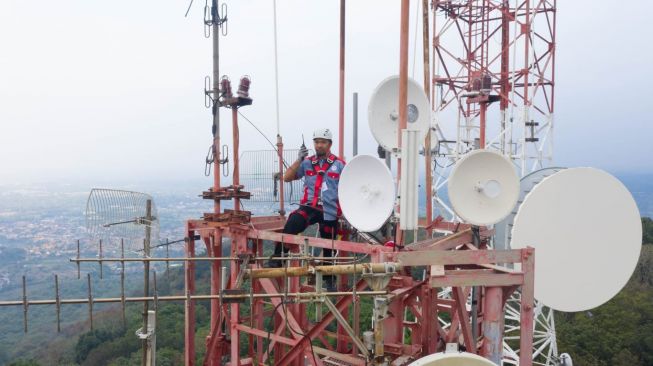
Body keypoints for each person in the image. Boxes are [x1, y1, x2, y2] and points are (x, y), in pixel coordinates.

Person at [267, 128, 346, 289]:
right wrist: (298, 160)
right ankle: (278, 257)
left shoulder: (339, 165)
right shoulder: (307, 162)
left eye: (323, 142)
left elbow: (349, 188)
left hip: (329, 209)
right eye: (317, 142)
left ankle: (329, 278)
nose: (319, 145)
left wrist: (346, 213)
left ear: (329, 144)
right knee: (293, 222)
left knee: (328, 241)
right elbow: (287, 178)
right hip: (309, 206)